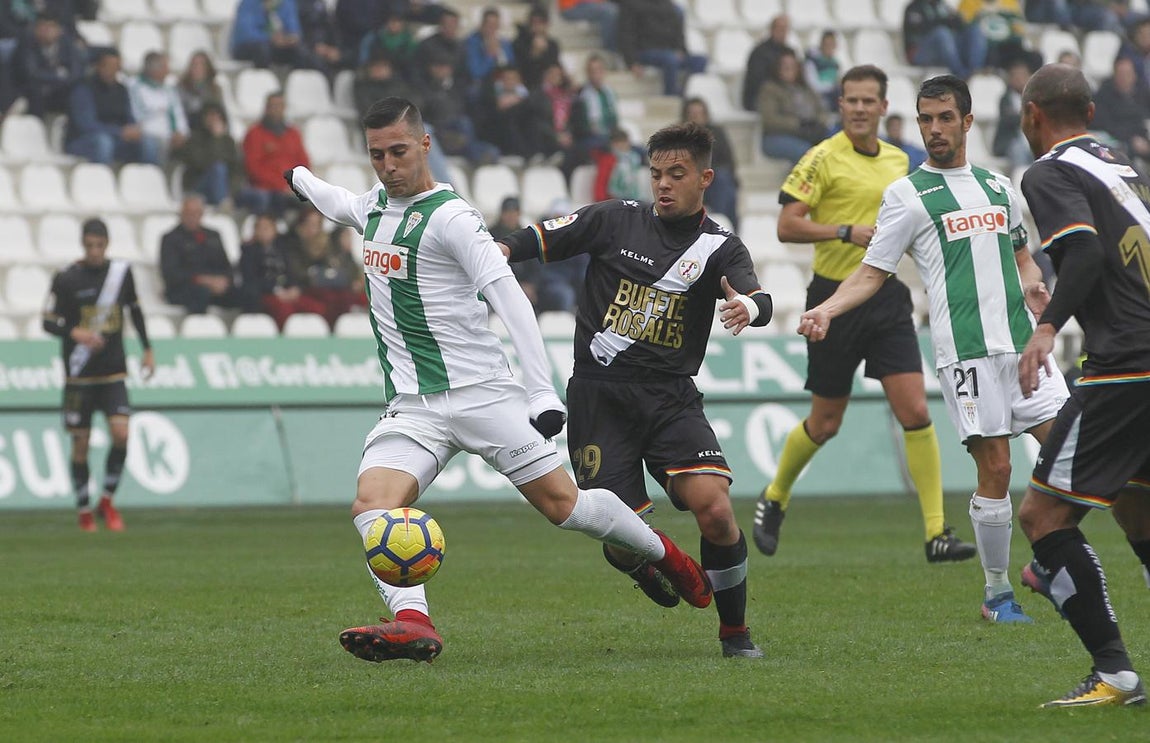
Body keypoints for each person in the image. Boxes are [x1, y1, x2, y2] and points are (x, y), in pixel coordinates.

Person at [282, 96, 714, 663]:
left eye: (399, 152)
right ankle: (413, 621)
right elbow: (338, 203)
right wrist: (300, 178)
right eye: (377, 154)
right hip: (414, 408)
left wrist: (539, 391)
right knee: (372, 504)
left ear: (425, 145)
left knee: (567, 509)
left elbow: (509, 298)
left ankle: (664, 555)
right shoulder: (374, 206)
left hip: (484, 395)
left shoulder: (453, 219)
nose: (389, 165)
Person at [796, 74, 1070, 623]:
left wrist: (1035, 283)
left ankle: (1045, 563)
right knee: (994, 469)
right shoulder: (905, 195)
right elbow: (873, 273)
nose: (935, 129)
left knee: (1073, 456)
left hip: (1024, 346)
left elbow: (1021, 258)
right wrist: (827, 308)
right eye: (926, 119)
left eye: (946, 118)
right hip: (966, 353)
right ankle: (997, 594)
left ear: (968, 122)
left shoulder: (999, 187)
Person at [498, 121, 774, 658]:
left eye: (677, 174)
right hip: (599, 397)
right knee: (620, 538)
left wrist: (749, 307)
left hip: (671, 397)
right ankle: (647, 560)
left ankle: (735, 634)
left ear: (705, 178)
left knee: (715, 510)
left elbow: (757, 296)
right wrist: (500, 253)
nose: (664, 184)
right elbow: (537, 239)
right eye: (656, 174)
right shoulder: (613, 219)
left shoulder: (718, 247)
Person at [751, 65, 977, 564]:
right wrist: (842, 231)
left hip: (887, 297)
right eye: (850, 100)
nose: (857, 108)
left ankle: (937, 531)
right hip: (833, 298)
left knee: (915, 411)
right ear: (840, 106)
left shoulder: (901, 161)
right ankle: (774, 496)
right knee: (826, 421)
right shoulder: (820, 159)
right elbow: (788, 225)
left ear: (882, 107)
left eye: (867, 101)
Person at [1013, 62, 1150, 708]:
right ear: (1090, 114)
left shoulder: (1047, 171)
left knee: (1041, 515)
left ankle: (1115, 673)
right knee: (1136, 505)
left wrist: (1045, 327)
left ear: (1032, 115)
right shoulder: (1119, 164)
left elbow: (1089, 254)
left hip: (1127, 361)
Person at [41, 218, 155, 532]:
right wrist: (74, 332)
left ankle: (106, 499)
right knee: (81, 445)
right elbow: (48, 321)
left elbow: (135, 310)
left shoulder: (120, 274)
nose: (94, 251)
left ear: (106, 244)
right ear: (83, 244)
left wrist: (148, 348)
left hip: (113, 369)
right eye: (89, 245)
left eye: (99, 245)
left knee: (122, 435)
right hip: (79, 374)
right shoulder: (66, 279)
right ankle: (83, 510)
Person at [64, 47, 157, 166]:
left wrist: (133, 130)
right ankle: (102, 181)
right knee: (103, 142)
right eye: (109, 66)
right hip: (83, 140)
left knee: (148, 143)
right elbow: (86, 125)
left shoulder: (122, 89)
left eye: (116, 67)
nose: (113, 70)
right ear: (98, 66)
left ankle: (145, 181)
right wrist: (119, 132)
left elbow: (128, 117)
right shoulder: (83, 89)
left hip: (116, 139)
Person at [160, 194, 246, 314]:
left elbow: (226, 266)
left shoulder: (213, 236)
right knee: (200, 294)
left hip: (214, 287)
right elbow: (171, 274)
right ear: (181, 214)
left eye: (196, 213)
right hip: (184, 288)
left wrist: (223, 281)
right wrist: (203, 280)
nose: (192, 217)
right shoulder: (170, 239)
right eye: (188, 213)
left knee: (247, 294)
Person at [239, 212, 325, 329]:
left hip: (287, 292)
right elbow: (250, 279)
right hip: (266, 294)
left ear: (274, 230)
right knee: (284, 310)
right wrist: (276, 290)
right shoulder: (248, 251)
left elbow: (291, 272)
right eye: (260, 228)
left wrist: (295, 288)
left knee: (317, 308)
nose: (264, 231)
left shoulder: (282, 248)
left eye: (267, 227)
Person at [241, 91, 311, 217]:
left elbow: (304, 163)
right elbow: (253, 168)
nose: (276, 110)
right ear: (266, 108)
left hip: (291, 189)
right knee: (271, 200)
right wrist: (281, 186)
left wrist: (295, 186)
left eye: (279, 106)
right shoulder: (255, 133)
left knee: (314, 204)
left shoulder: (293, 134)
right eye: (273, 106)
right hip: (266, 189)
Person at [617, 0, 706, 97]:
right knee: (670, 59)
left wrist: (681, 50)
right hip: (644, 52)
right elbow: (626, 35)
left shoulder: (670, 7)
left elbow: (678, 34)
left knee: (700, 60)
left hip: (668, 52)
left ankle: (683, 93)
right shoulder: (632, 5)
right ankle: (670, 98)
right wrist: (632, 62)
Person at [758, 48, 829, 166]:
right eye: (785, 66)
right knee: (806, 152)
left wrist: (817, 123)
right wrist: (799, 124)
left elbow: (822, 110)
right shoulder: (769, 89)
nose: (789, 69)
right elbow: (770, 120)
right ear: (777, 68)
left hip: (810, 132)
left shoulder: (806, 88)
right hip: (777, 136)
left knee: (836, 144)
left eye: (792, 66)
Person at [742, 14, 794, 112]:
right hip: (761, 97)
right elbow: (757, 82)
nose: (783, 32)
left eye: (786, 29)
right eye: (780, 28)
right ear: (772, 29)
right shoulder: (759, 52)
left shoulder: (790, 52)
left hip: (786, 94)